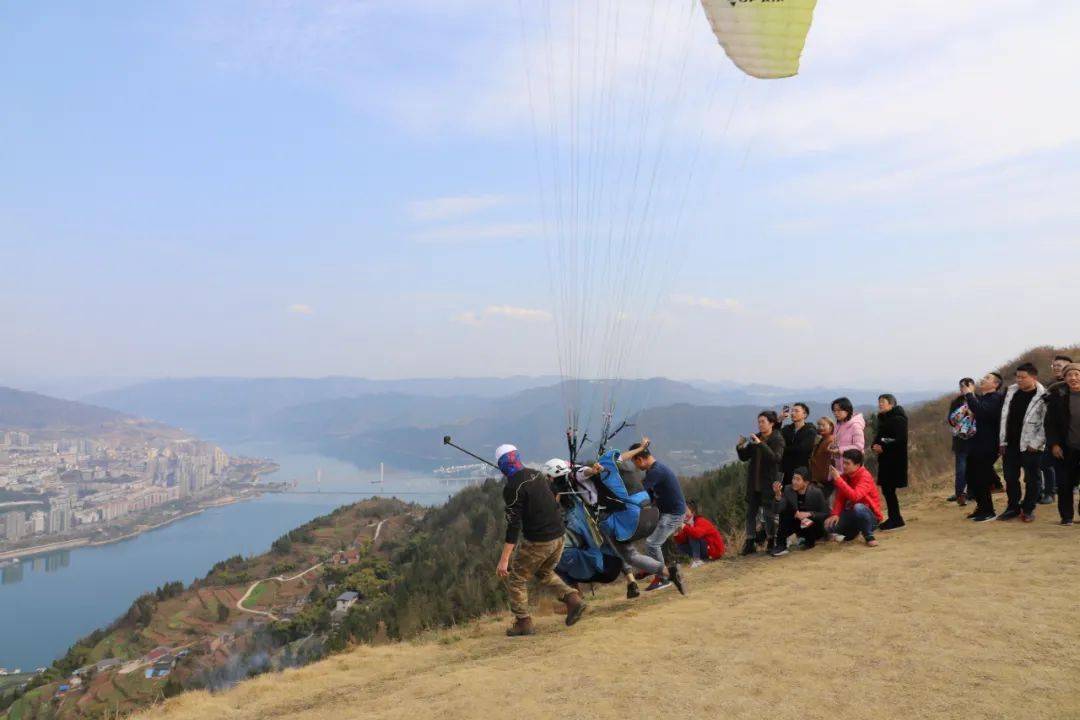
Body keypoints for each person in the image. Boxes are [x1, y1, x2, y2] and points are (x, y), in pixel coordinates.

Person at [495, 444, 586, 636]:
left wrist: (504, 560)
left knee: (517, 579)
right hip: (559, 535)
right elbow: (554, 494)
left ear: (502, 465)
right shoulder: (536, 474)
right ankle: (572, 599)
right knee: (544, 572)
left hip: (539, 541)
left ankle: (523, 622)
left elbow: (513, 526)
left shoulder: (512, 488)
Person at [627, 440, 688, 594]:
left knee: (652, 544)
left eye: (635, 464)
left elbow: (640, 493)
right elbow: (649, 495)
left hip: (673, 514)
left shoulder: (656, 472)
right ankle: (653, 568)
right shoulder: (654, 471)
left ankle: (663, 577)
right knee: (649, 538)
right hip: (667, 513)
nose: (636, 468)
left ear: (640, 459)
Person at [997, 363, 1047, 522]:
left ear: (1033, 377)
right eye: (1017, 377)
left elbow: (1047, 423)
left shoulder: (1043, 396)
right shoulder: (1011, 392)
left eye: (1023, 377)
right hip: (1010, 443)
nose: (1019, 380)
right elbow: (1005, 417)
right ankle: (1012, 507)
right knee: (1010, 478)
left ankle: (1028, 509)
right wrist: (1002, 441)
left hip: (1031, 446)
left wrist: (1036, 443)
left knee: (1032, 479)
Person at [736, 410, 786, 556]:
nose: (760, 424)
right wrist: (740, 447)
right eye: (759, 421)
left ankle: (771, 540)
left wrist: (761, 444)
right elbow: (745, 457)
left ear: (772, 423)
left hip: (769, 482)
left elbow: (776, 458)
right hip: (754, 483)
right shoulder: (756, 437)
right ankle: (750, 542)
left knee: (769, 514)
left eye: (763, 421)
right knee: (750, 514)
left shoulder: (777, 438)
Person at [962, 372, 1007, 521]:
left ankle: (988, 511)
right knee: (971, 475)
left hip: (988, 444)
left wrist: (969, 395)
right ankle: (981, 507)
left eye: (987, 378)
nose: (983, 379)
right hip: (977, 443)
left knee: (980, 477)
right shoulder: (983, 398)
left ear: (995, 384)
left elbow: (982, 412)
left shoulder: (996, 398)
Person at [824, 449, 883, 547]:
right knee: (829, 526)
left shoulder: (865, 476)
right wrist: (835, 514)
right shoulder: (844, 477)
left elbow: (855, 496)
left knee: (858, 507)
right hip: (853, 514)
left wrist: (838, 479)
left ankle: (869, 536)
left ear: (857, 465)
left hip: (871, 517)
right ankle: (851, 534)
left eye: (847, 463)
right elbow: (840, 499)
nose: (844, 466)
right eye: (843, 463)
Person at [1045, 362, 1080, 525]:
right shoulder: (1058, 397)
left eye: (1077, 374)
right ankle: (1066, 517)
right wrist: (1054, 444)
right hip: (1066, 448)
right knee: (1065, 483)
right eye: (1069, 375)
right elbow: (1050, 423)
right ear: (1064, 378)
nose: (1073, 378)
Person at [770, 467, 830, 556]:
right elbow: (777, 510)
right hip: (797, 524)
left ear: (806, 482)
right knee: (785, 511)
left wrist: (809, 514)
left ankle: (809, 541)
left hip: (812, 526)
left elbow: (825, 514)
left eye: (798, 479)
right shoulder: (788, 489)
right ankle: (781, 545)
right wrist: (778, 495)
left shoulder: (816, 492)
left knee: (806, 521)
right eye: (793, 478)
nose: (794, 482)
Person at [1039, 355, 1074, 505]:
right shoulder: (1052, 387)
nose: (1056, 368)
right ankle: (1050, 491)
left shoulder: (1074, 385)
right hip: (1053, 433)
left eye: (1060, 365)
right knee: (1046, 462)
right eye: (1054, 365)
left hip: (1074, 433)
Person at [873, 394, 909, 531]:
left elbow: (900, 440)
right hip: (885, 459)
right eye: (879, 402)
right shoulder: (883, 418)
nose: (880, 404)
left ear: (891, 404)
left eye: (883, 402)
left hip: (895, 460)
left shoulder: (898, 419)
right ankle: (894, 518)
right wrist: (874, 445)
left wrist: (882, 445)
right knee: (887, 490)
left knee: (889, 489)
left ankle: (896, 519)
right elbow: (879, 437)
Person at [946, 378, 976, 505]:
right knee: (961, 469)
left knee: (974, 467)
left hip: (976, 440)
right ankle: (959, 494)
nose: (963, 388)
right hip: (960, 441)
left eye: (966, 386)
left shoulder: (978, 399)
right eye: (961, 386)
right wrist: (963, 414)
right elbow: (950, 420)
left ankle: (972, 492)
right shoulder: (956, 402)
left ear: (973, 386)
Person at [673, 500, 725, 567]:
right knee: (680, 545)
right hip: (705, 550)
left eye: (685, 510)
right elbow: (682, 541)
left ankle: (697, 560)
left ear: (693, 512)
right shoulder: (688, 524)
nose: (683, 513)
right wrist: (676, 532)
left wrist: (683, 526)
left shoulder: (701, 521)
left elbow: (697, 534)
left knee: (693, 534)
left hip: (714, 550)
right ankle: (686, 561)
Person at [780, 402, 819, 485]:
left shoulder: (810, 431)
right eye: (792, 411)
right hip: (786, 470)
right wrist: (780, 420)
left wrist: (783, 449)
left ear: (805, 414)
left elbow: (803, 449)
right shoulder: (787, 429)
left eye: (796, 411)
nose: (793, 413)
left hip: (801, 471)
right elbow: (775, 436)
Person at [831, 397, 866, 468]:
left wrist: (839, 450)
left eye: (839, 410)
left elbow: (859, 446)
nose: (835, 413)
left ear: (847, 411)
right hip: (839, 465)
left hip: (851, 467)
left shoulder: (855, 426)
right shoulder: (838, 424)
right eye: (834, 411)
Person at [809, 416, 837, 503]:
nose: (820, 428)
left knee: (826, 506)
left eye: (823, 425)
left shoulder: (831, 440)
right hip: (820, 478)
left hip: (827, 479)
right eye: (819, 425)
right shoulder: (822, 439)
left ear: (831, 426)